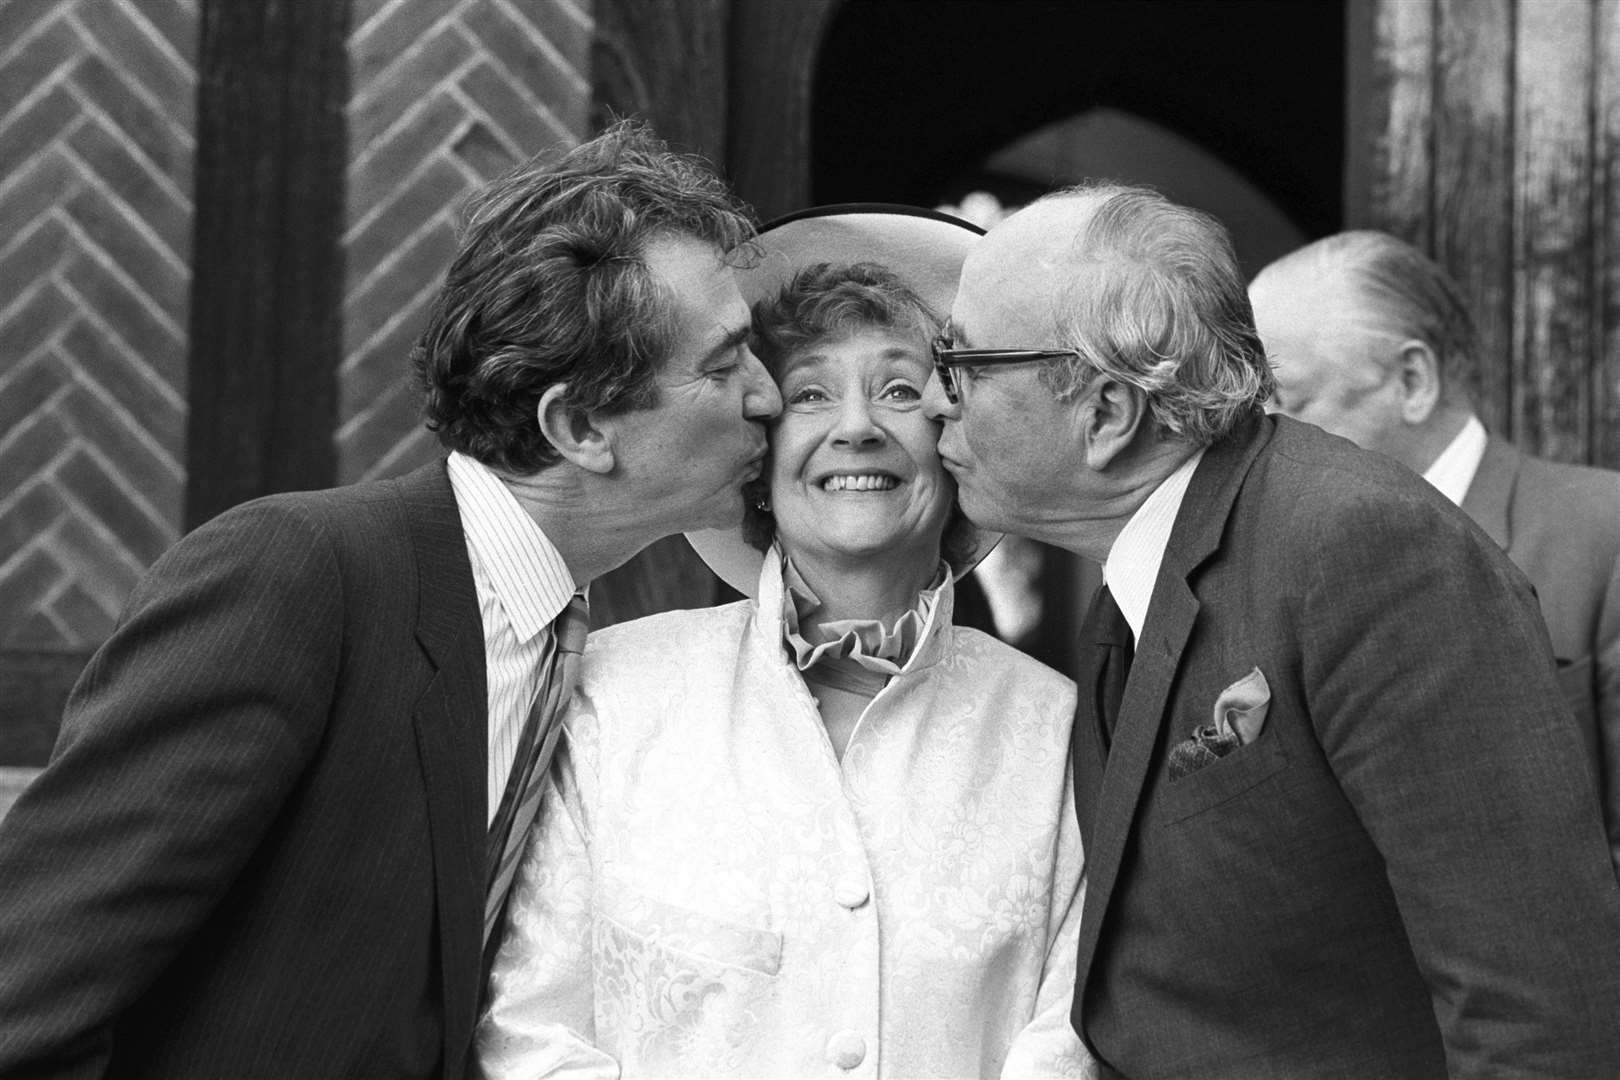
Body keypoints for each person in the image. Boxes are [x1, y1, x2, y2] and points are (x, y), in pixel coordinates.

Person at [0, 121, 781, 1079]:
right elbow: (25, 1001)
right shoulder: (296, 577)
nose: (770, 397)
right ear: (580, 425)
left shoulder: (577, 651)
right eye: (724, 362)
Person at [922, 182, 1620, 1078]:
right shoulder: (1133, 591)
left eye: (965, 364)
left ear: (1104, 413)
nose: (938, 402)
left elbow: (1541, 1014)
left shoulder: (1360, 546)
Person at [477, 209, 1090, 1078]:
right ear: (759, 456)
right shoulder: (610, 696)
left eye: (901, 390)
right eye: (809, 393)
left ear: (953, 445)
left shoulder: (1058, 731)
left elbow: (1065, 1044)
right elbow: (526, 1033)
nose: (856, 427)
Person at [1248, 229, 1620, 873]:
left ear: (1413, 380)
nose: (1259, 441)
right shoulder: (1264, 567)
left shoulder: (1601, 531)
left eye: (1286, 402)